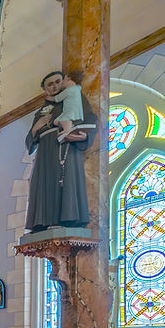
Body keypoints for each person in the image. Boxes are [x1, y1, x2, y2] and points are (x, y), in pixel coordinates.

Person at [25, 71, 96, 233]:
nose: (54, 86)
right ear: (45, 90)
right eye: (50, 84)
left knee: (65, 179)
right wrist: (37, 127)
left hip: (65, 146)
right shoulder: (41, 111)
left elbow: (89, 118)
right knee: (44, 183)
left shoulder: (74, 98)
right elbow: (30, 140)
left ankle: (68, 220)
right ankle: (43, 222)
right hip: (44, 152)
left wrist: (84, 136)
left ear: (63, 82)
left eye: (57, 81)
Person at [52, 75, 83, 141]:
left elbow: (57, 98)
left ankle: (67, 130)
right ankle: (69, 127)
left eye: (64, 80)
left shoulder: (70, 90)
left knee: (64, 119)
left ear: (69, 80)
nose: (63, 82)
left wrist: (50, 98)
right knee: (56, 121)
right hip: (71, 110)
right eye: (50, 84)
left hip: (70, 111)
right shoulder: (77, 88)